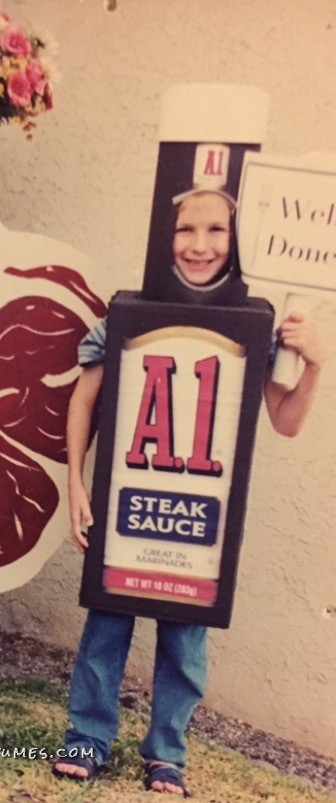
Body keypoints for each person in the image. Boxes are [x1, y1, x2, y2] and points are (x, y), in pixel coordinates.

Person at [52, 189, 325, 796]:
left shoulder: (256, 323)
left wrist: (313, 366)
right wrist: (75, 482)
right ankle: (87, 736)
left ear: (238, 240)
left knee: (185, 638)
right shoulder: (124, 316)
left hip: (200, 514)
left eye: (216, 232)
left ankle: (166, 750)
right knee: (106, 624)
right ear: (164, 233)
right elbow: (84, 400)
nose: (199, 245)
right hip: (130, 499)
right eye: (185, 229)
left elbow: (285, 420)